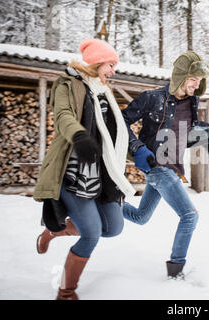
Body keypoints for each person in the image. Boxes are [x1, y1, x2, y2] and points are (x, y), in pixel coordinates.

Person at [33, 39, 135, 300]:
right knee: (91, 234)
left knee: (113, 227)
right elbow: (63, 116)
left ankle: (54, 230)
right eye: (110, 65)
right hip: (73, 172)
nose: (113, 71)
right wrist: (80, 136)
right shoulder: (67, 84)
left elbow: (116, 131)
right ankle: (66, 291)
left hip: (102, 173)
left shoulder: (104, 91)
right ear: (96, 62)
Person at [122, 51, 209, 279]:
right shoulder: (152, 98)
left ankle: (107, 203)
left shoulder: (191, 102)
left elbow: (186, 131)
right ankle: (175, 272)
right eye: (192, 80)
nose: (196, 85)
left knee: (141, 217)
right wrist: (137, 148)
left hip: (173, 168)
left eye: (200, 81)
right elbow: (120, 121)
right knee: (190, 216)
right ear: (180, 77)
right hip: (157, 166)